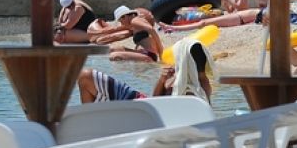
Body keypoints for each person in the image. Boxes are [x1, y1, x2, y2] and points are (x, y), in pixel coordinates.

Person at [77, 38, 215, 104]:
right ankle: (90, 120)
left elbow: (156, 102)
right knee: (87, 78)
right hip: (143, 103)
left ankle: (88, 123)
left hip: (142, 107)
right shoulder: (199, 84)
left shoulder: (188, 87)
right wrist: (162, 80)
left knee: (86, 76)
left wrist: (163, 81)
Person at [161, 5, 267, 32]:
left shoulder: (266, 13)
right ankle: (172, 28)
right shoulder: (266, 12)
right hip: (240, 17)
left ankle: (172, 28)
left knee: (203, 23)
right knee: (203, 23)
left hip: (241, 18)